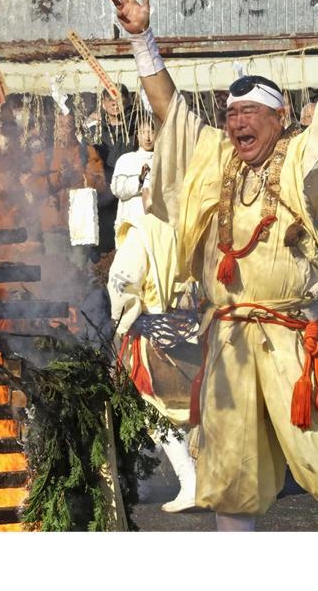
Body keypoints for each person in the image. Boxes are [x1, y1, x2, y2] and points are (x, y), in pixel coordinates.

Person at [110, 0, 318, 531]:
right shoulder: (215, 159)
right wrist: (142, 39)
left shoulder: (301, 159)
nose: (237, 121)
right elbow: (174, 114)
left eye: (251, 111)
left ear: (279, 118)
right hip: (230, 339)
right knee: (230, 476)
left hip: (291, 335)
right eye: (232, 113)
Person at [106, 213, 199, 512]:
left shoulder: (143, 230)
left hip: (161, 343)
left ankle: (190, 483)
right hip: (205, 334)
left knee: (159, 413)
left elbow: (122, 283)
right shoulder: (201, 214)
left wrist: (121, 324)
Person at [110, 118, 155, 230]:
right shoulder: (126, 159)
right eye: (142, 132)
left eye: (151, 132)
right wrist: (139, 180)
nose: (147, 137)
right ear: (136, 135)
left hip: (157, 221)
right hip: (133, 219)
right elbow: (117, 189)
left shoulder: (165, 159)